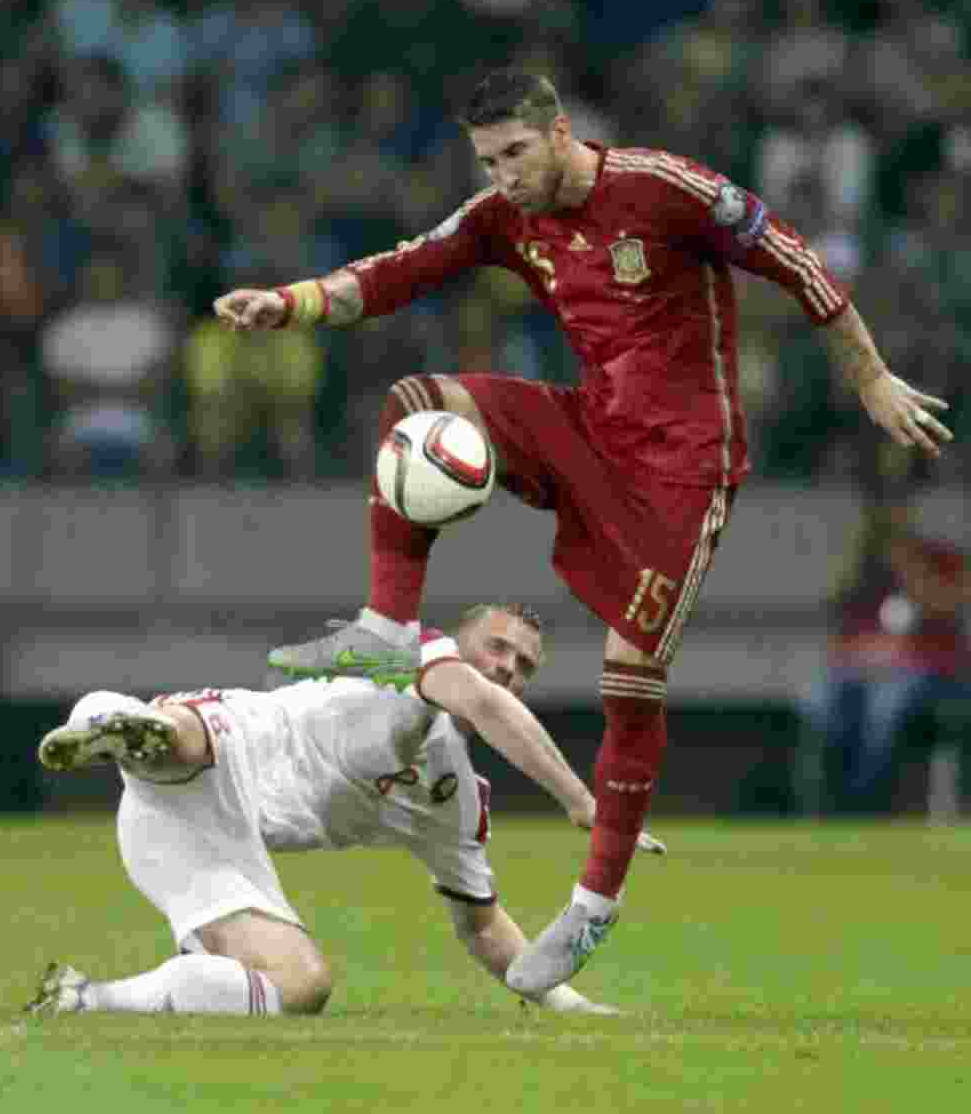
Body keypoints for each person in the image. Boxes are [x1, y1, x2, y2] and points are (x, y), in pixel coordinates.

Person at [212, 69, 953, 995]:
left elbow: (795, 259)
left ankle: (593, 904)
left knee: (628, 678)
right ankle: (389, 628)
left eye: (517, 153)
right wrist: (289, 303)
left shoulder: (664, 188)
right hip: (589, 431)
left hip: (685, 470)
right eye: (488, 160)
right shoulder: (500, 216)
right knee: (419, 405)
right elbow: (397, 271)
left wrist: (870, 376)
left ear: (560, 132)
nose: (505, 175)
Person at [25, 603, 666, 1019]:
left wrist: (568, 1004)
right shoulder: (409, 650)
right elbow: (483, 703)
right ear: (457, 640)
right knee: (178, 739)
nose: (507, 668)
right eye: (497, 647)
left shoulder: (453, 798)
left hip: (191, 841)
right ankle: (109, 726)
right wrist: (582, 801)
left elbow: (483, 927)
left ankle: (88, 1000)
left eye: (523, 665)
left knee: (303, 986)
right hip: (214, 749)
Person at [797, 494, 970, 815]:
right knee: (819, 698)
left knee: (884, 707)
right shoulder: (866, 573)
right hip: (866, 672)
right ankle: (825, 800)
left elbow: (945, 608)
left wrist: (907, 561)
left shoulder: (942, 561)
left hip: (930, 674)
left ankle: (866, 801)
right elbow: (843, 639)